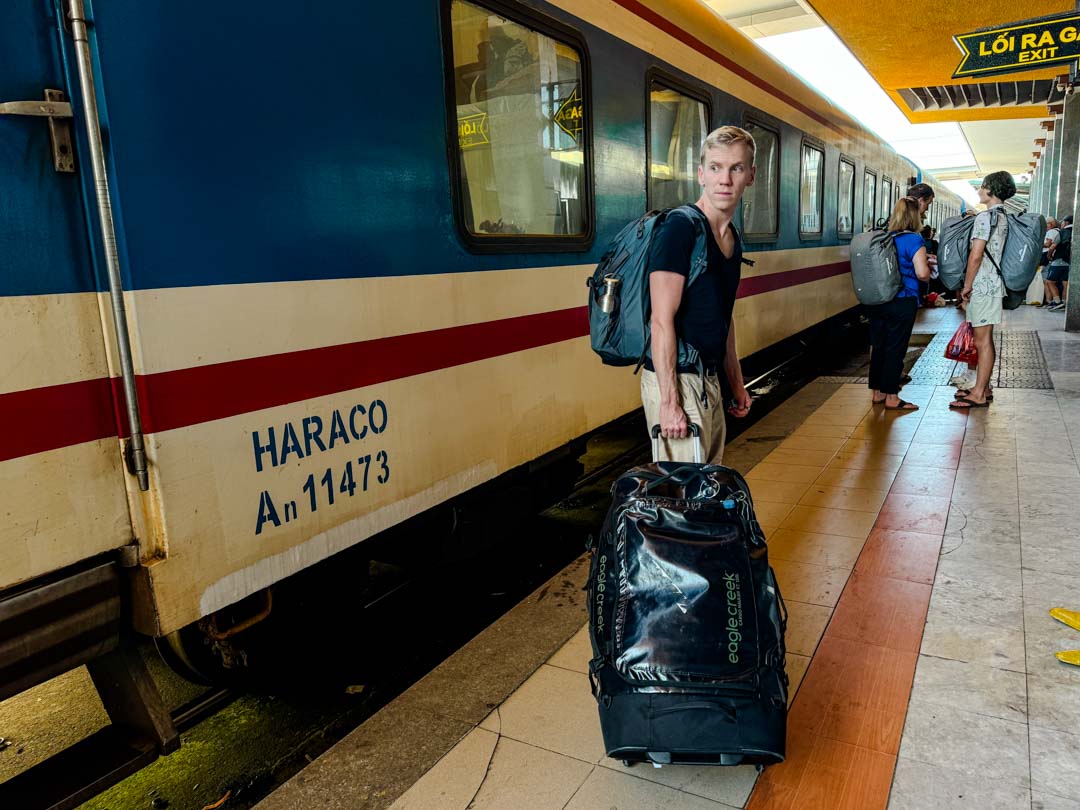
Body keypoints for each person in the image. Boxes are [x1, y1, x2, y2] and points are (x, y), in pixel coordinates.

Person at [644, 126, 755, 462]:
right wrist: (669, 402)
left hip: (708, 378)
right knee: (684, 491)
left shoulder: (731, 237)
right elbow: (660, 320)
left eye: (736, 168)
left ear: (750, 176)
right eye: (715, 167)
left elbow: (723, 318)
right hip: (677, 378)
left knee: (707, 485)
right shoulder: (680, 228)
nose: (725, 180)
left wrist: (735, 383)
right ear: (701, 175)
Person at [951, 171, 1017, 410]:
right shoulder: (1003, 216)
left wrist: (967, 286)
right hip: (993, 284)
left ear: (991, 190)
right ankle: (984, 388)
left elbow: (976, 255)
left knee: (982, 341)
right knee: (985, 339)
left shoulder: (985, 217)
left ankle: (978, 393)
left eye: (982, 186)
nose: (979, 191)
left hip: (983, 285)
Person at [868, 197, 931, 410]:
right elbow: (922, 273)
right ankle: (892, 397)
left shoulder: (883, 237)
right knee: (896, 347)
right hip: (902, 299)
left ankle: (877, 393)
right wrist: (928, 269)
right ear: (915, 216)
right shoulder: (913, 240)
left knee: (879, 346)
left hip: (878, 299)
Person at [1046, 214, 1072, 312]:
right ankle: (1064, 303)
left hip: (1059, 261)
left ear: (1066, 223)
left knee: (1050, 281)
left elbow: (1052, 246)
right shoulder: (1076, 231)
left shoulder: (1062, 232)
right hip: (1070, 263)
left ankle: (1057, 302)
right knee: (1066, 283)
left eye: (1062, 222)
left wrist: (1049, 255)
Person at [1036, 217, 1059, 307]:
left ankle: (1048, 301)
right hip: (1051, 259)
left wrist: (1036, 243)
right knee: (1047, 281)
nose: (1045, 226)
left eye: (1046, 224)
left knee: (1046, 281)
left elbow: (1048, 244)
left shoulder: (1051, 231)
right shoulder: (1057, 231)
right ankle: (1049, 301)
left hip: (1046, 258)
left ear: (1051, 224)